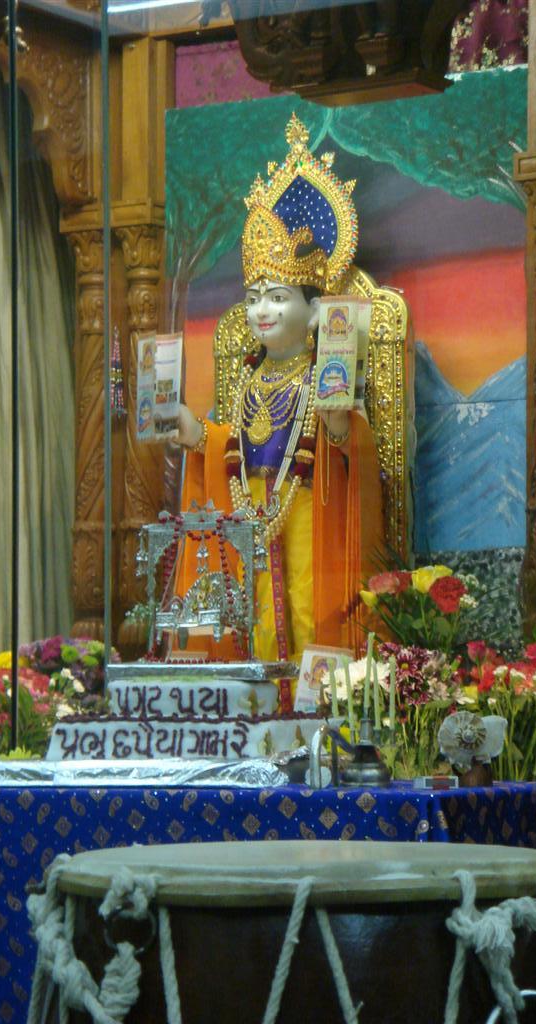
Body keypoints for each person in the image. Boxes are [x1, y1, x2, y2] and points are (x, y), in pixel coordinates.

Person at [176, 114, 382, 664]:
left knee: (311, 616)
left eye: (277, 297)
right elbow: (233, 450)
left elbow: (353, 453)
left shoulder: (325, 377)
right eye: (253, 298)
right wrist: (199, 436)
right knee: (252, 618)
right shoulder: (249, 378)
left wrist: (339, 430)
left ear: (316, 311)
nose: (261, 311)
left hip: (310, 520)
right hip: (250, 524)